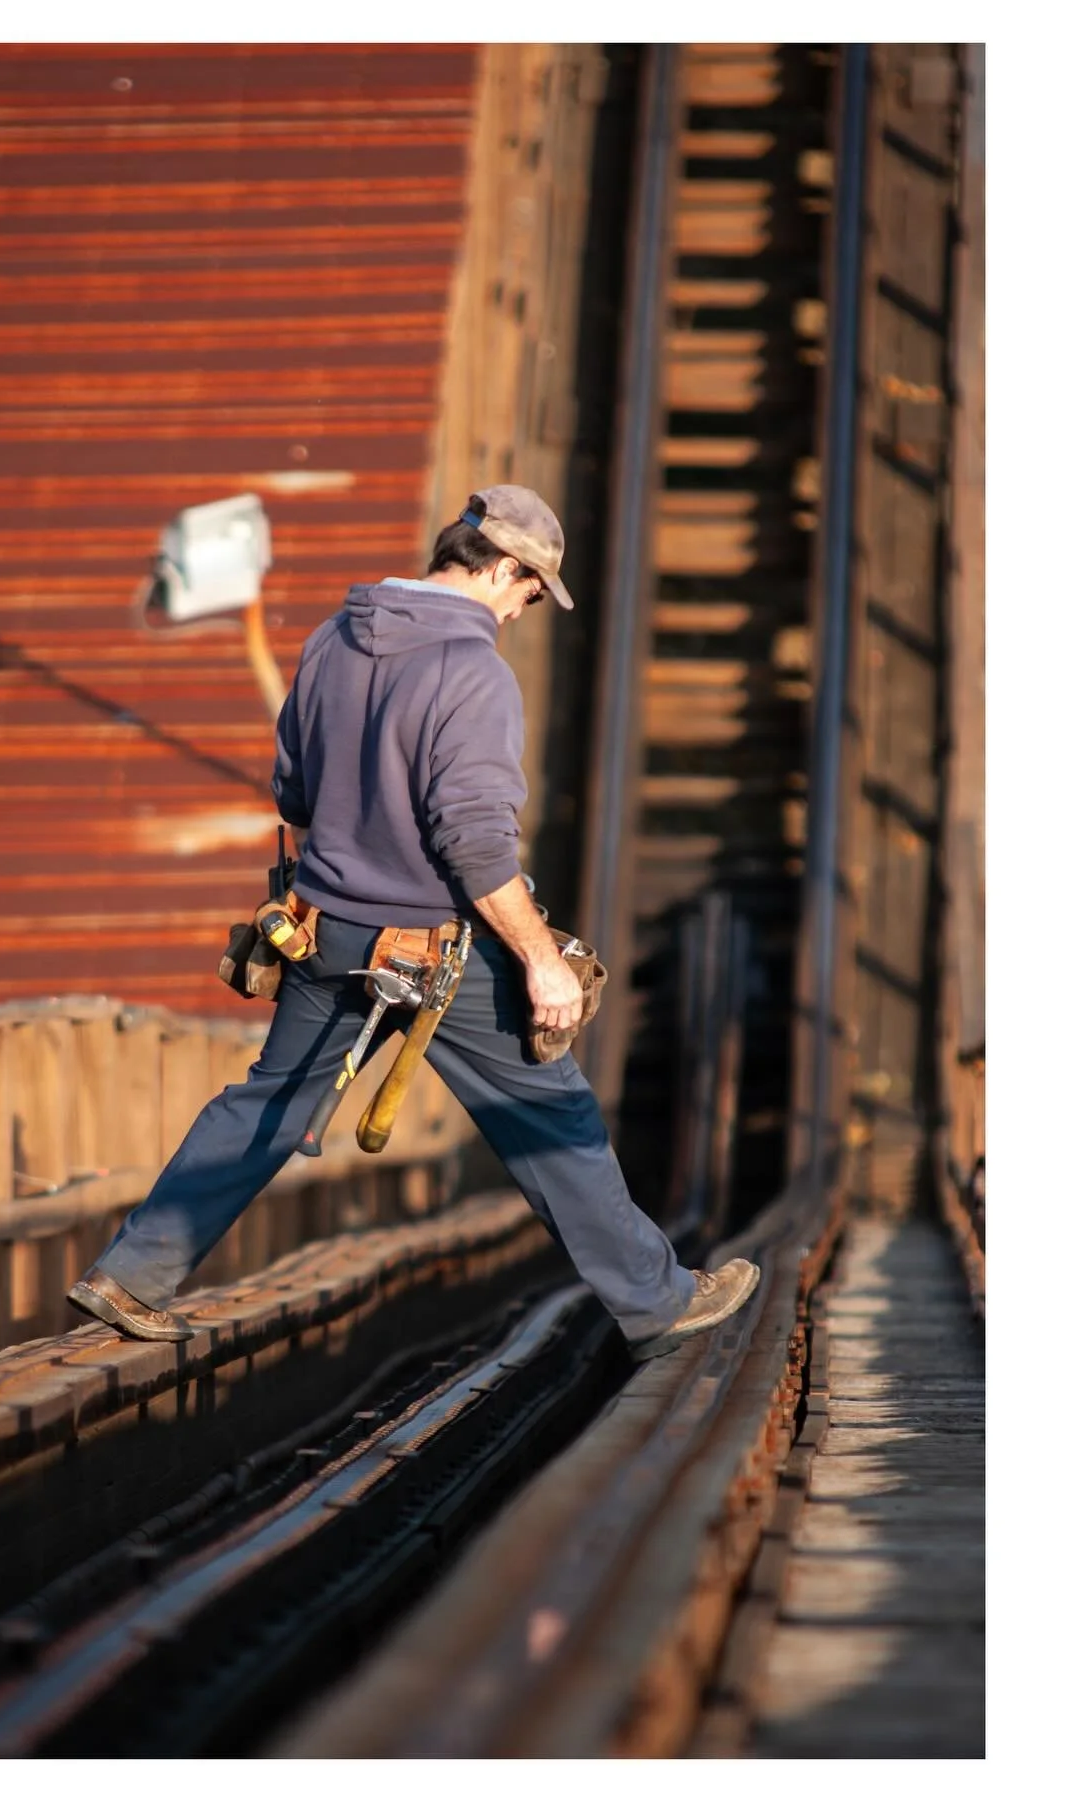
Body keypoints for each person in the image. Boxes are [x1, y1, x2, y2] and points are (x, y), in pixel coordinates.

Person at [68, 486, 759, 1360]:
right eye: (530, 591)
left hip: (323, 931)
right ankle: (658, 1301)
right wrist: (541, 962)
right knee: (552, 1118)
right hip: (434, 947)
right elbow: (474, 844)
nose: (523, 609)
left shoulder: (333, 638)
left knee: (266, 1106)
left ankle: (130, 1274)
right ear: (501, 567)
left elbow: (293, 792)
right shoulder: (474, 673)